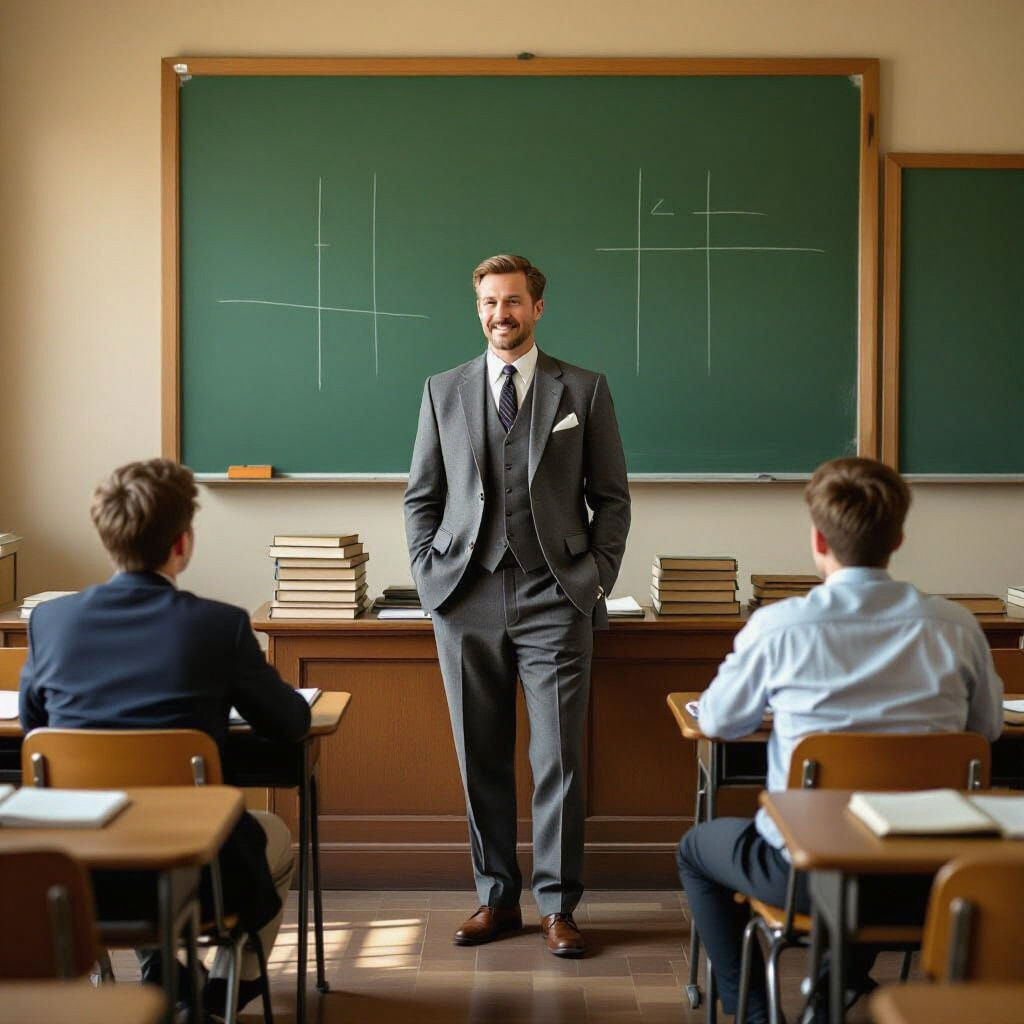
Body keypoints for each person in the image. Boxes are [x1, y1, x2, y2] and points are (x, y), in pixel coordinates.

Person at [675, 456, 1003, 1022]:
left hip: (804, 877)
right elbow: (988, 730)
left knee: (696, 850)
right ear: (898, 538)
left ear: (818, 539)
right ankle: (837, 987)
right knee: (874, 833)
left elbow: (720, 721)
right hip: (927, 877)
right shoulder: (955, 627)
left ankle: (755, 1012)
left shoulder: (781, 628)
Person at [19, 458, 311, 1016]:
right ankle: (227, 986)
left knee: (138, 816)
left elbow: (38, 734)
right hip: (193, 874)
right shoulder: (219, 626)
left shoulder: (50, 623)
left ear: (108, 541)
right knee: (273, 834)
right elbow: (289, 725)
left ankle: (162, 977)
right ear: (183, 543)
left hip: (76, 873)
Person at [404, 253, 631, 956]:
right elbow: (423, 497)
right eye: (487, 304)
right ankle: (496, 899)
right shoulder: (443, 389)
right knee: (480, 754)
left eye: (511, 302)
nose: (499, 315)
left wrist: (592, 577)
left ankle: (559, 906)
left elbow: (612, 500)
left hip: (554, 595)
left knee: (558, 755)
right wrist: (428, 576)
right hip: (464, 595)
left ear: (537, 307)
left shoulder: (583, 390)